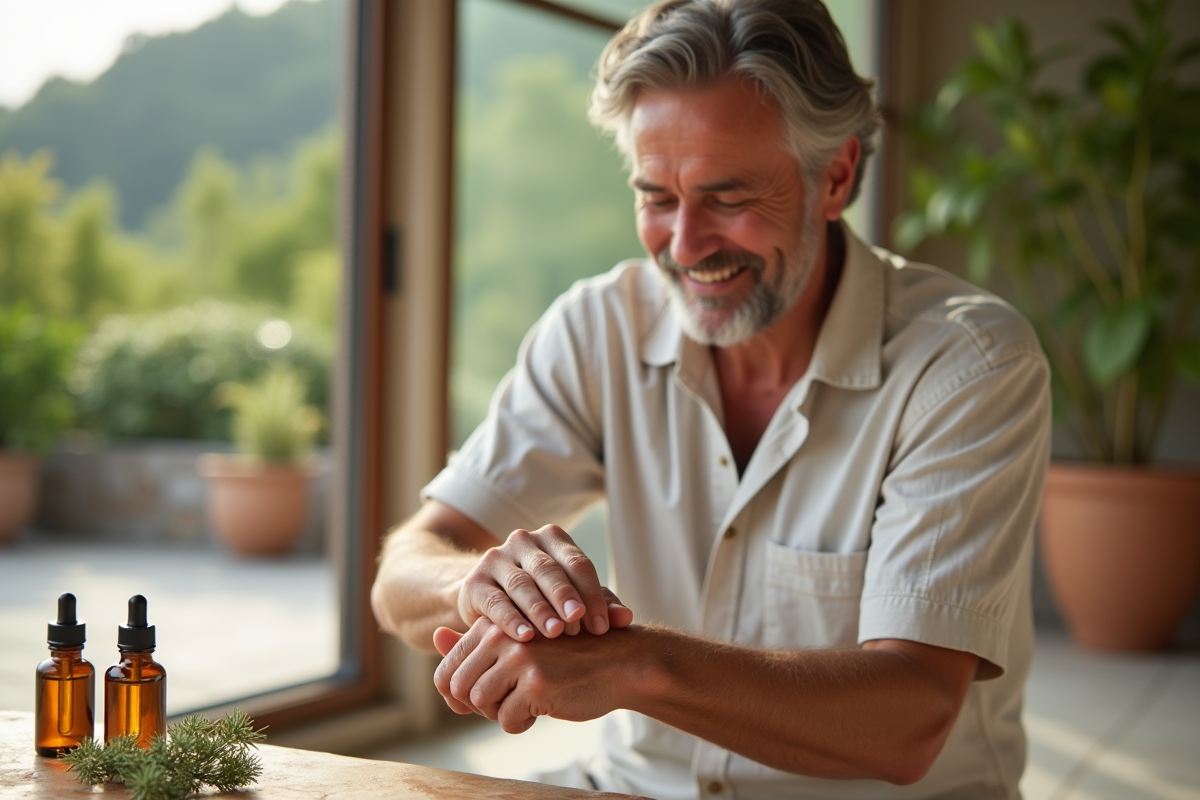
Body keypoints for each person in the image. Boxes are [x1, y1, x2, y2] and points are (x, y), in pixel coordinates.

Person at [370, 0, 1051, 797]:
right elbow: (403, 573)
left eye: (727, 198)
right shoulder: (599, 328)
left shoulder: (968, 364)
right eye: (657, 198)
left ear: (835, 177)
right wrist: (481, 588)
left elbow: (909, 722)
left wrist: (634, 665)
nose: (686, 246)